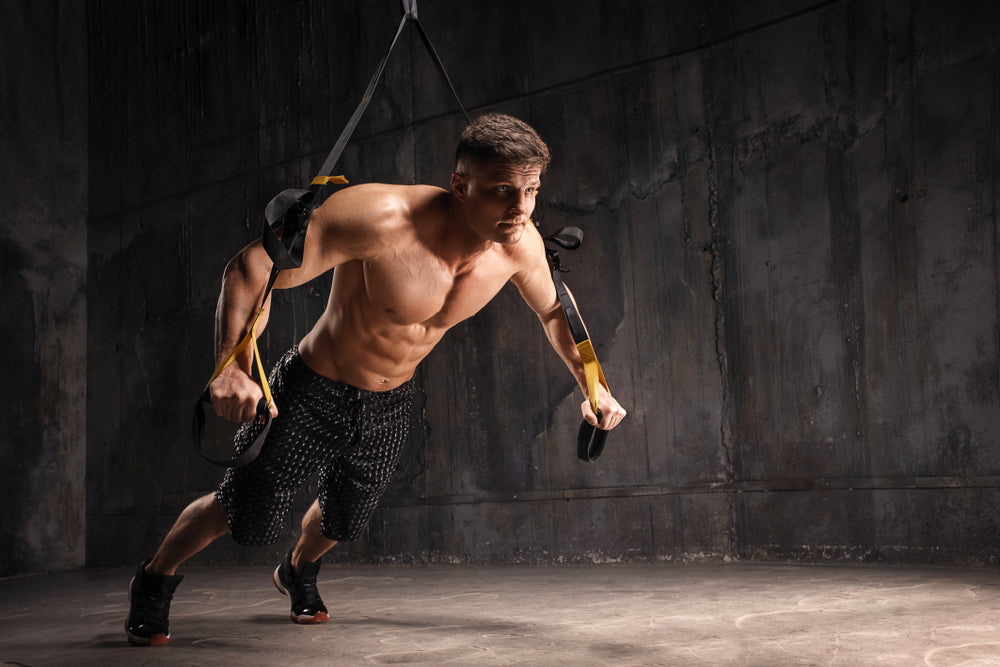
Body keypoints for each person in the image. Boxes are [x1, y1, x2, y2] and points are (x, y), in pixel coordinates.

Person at [125, 113, 627, 645]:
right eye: (503, 191)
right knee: (243, 509)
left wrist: (593, 383)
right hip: (313, 388)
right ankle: (154, 580)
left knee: (345, 516)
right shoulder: (383, 218)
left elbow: (555, 311)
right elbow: (252, 268)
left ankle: (297, 572)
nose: (521, 209)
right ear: (461, 185)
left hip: (391, 400)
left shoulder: (518, 244)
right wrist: (231, 366)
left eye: (530, 190)